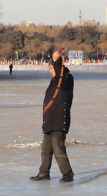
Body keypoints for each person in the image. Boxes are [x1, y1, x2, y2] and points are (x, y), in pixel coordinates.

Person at [30, 50, 75, 183]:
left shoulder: (67, 79)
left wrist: (57, 60)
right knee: (45, 150)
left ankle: (68, 174)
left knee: (58, 148)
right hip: (50, 121)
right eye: (50, 68)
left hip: (60, 120)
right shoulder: (54, 81)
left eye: (51, 68)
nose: (50, 71)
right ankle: (44, 173)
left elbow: (61, 78)